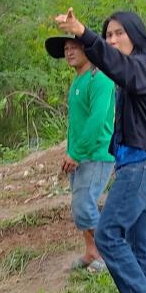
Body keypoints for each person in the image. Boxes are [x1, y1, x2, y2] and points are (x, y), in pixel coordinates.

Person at [53, 8, 146, 293]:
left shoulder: (143, 66)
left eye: (119, 32)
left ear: (136, 34)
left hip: (141, 166)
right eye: (108, 34)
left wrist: (83, 32)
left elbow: (115, 64)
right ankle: (136, 292)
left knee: (107, 234)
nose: (112, 39)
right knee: (138, 235)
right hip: (136, 165)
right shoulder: (133, 77)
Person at [45, 34, 115, 273]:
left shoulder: (101, 80)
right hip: (79, 155)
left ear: (88, 50)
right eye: (66, 48)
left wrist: (77, 153)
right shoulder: (78, 82)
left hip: (97, 154)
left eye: (75, 47)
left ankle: (110, 254)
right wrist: (70, 152)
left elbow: (96, 122)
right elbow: (76, 124)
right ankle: (91, 252)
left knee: (84, 204)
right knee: (82, 204)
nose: (69, 52)